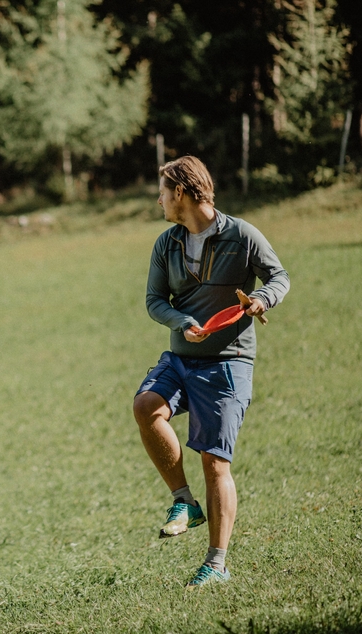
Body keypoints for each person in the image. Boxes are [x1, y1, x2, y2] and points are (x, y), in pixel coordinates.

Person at [133, 156, 290, 587]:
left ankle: (216, 564)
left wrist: (263, 299)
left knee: (214, 462)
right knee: (146, 406)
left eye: (163, 192)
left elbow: (279, 276)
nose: (160, 201)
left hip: (228, 363)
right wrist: (182, 321)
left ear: (180, 193)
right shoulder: (166, 244)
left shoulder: (242, 235)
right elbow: (154, 301)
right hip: (181, 358)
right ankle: (184, 501)